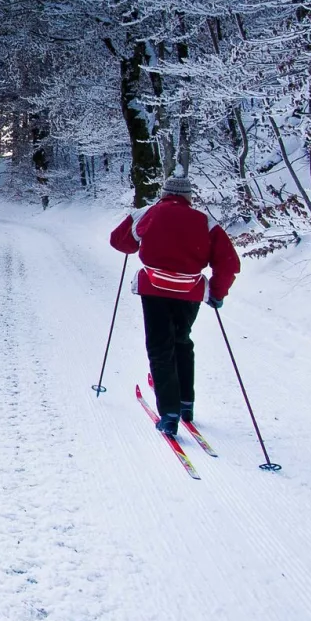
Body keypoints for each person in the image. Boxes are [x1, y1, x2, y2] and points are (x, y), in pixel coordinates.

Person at [109, 176, 240, 437]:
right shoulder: (205, 221)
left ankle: (169, 414)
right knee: (182, 340)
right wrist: (217, 292)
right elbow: (228, 261)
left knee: (160, 347)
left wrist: (139, 240)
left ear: (164, 193)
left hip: (154, 289)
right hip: (189, 292)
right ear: (189, 197)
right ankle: (185, 403)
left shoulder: (149, 213)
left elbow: (119, 240)